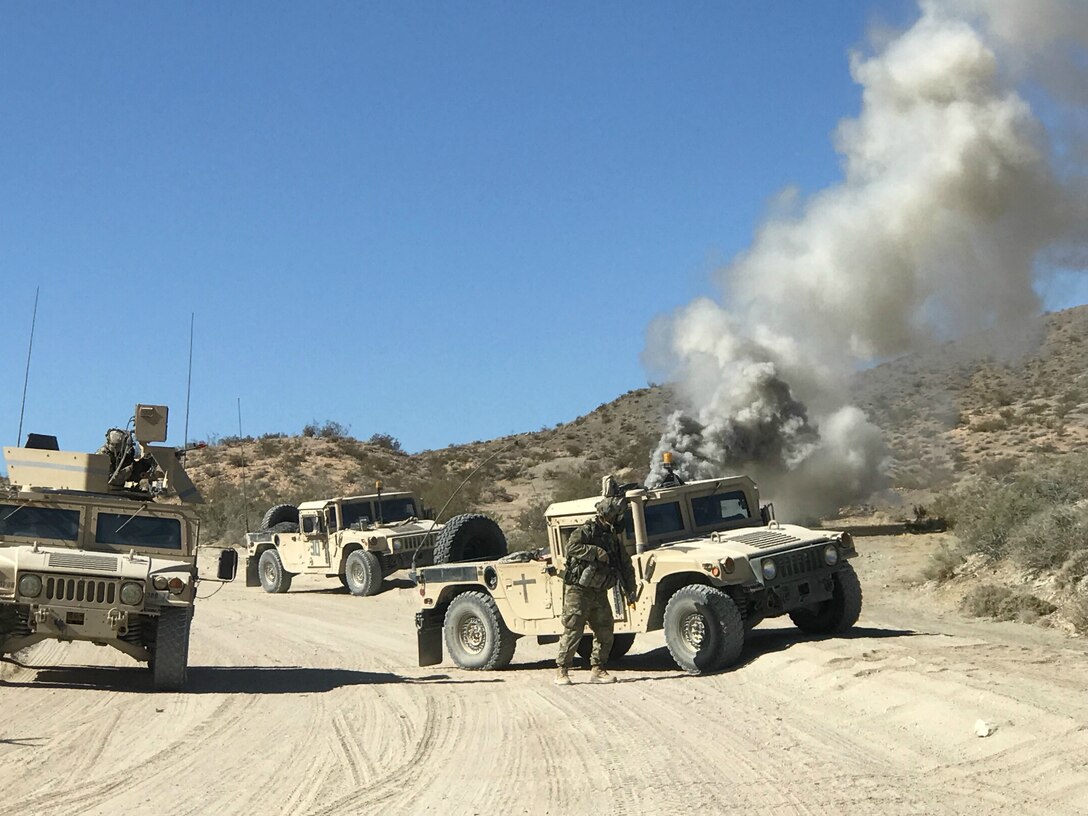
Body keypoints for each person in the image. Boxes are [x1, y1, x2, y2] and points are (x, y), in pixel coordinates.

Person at [555, 494, 638, 685]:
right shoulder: (587, 531)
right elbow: (571, 548)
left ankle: (598, 669)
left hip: (599, 591)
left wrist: (630, 589)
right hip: (578, 590)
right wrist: (595, 552)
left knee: (605, 630)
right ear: (606, 515)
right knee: (573, 629)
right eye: (615, 515)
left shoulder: (612, 538)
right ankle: (562, 670)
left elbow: (624, 564)